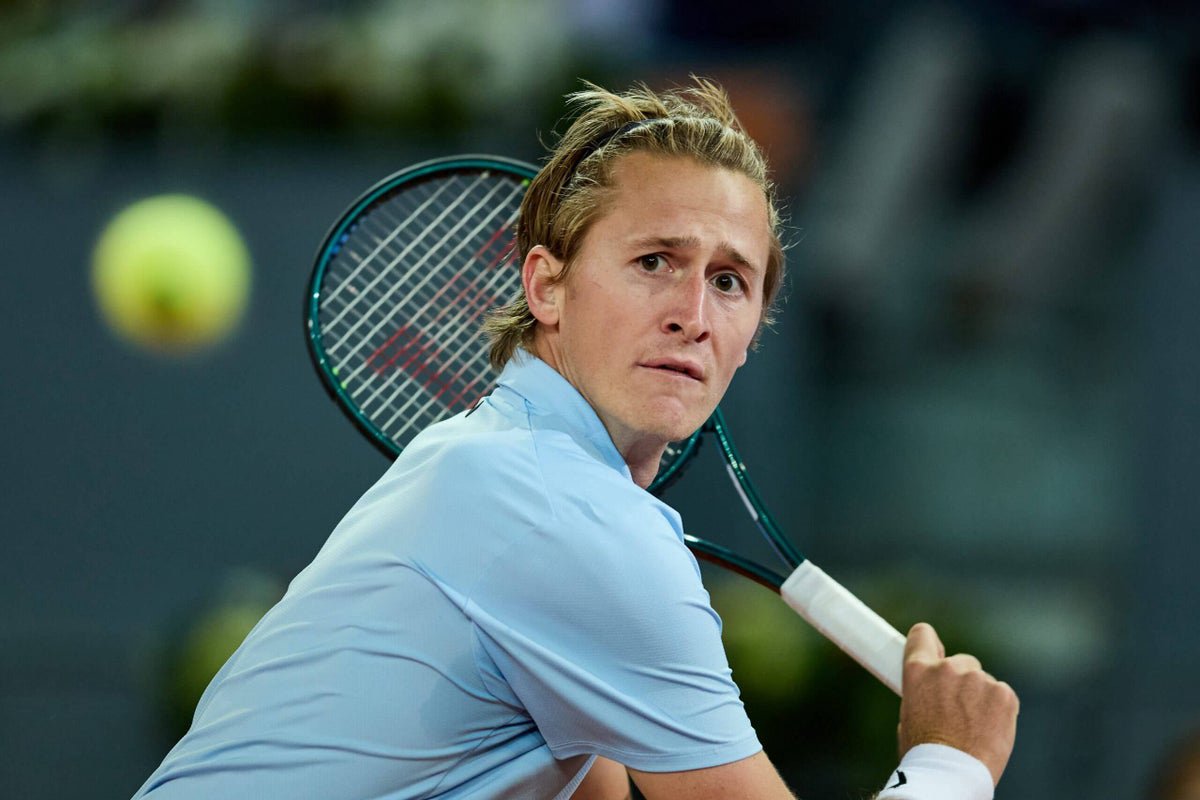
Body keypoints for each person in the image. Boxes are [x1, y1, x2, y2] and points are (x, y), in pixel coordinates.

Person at [133, 79, 1018, 800]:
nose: (692, 317)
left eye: (730, 282)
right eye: (654, 262)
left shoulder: (491, 462)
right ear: (546, 287)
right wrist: (949, 763)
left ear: (753, 336)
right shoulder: (565, 512)